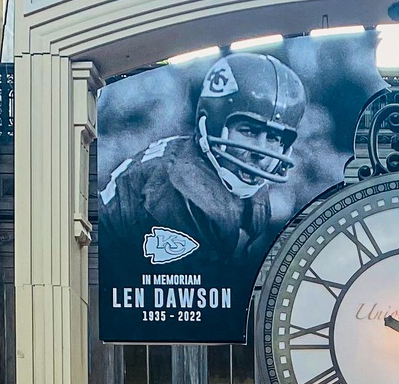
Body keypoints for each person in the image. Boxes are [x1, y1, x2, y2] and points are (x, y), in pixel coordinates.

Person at [97, 52, 306, 291]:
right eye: (248, 131)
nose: (261, 151)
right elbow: (182, 310)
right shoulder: (183, 189)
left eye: (273, 138)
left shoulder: (235, 177)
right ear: (214, 124)